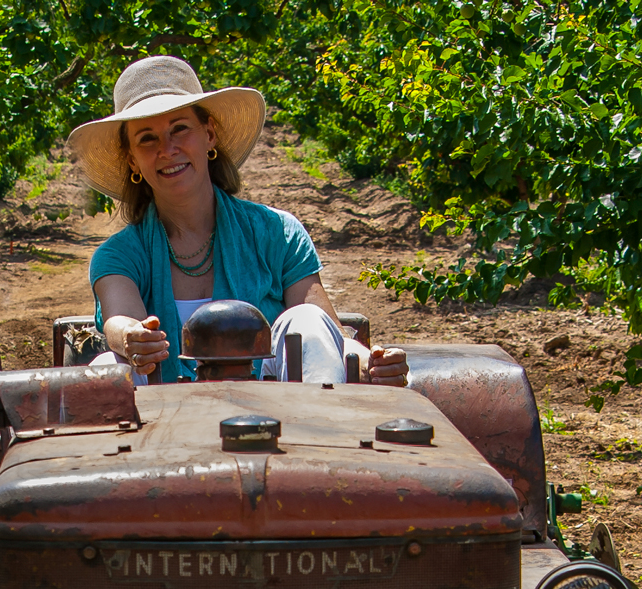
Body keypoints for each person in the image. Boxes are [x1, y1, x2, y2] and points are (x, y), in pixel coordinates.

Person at [67, 56, 408, 386]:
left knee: (305, 319)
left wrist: (369, 361)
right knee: (107, 367)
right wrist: (131, 338)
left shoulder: (278, 234)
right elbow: (120, 320)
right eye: (147, 139)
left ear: (209, 135)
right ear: (132, 159)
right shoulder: (119, 255)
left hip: (278, 415)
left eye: (180, 129)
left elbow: (323, 331)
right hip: (167, 423)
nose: (167, 149)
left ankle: (320, 431)